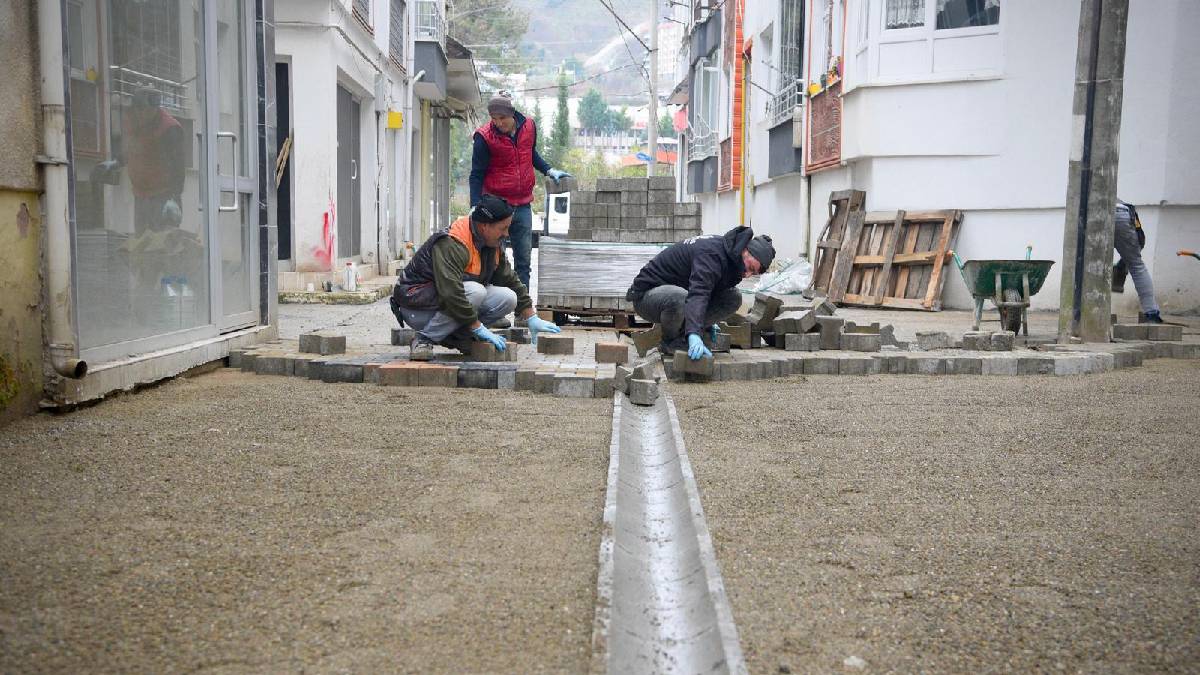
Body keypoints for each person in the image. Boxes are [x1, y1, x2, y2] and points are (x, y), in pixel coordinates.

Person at [392, 195, 561, 360]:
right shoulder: (453, 242)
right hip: (415, 305)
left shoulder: (491, 244)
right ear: (484, 226)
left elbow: (509, 279)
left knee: (508, 298)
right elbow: (451, 293)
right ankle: (424, 339)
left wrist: (531, 316)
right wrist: (478, 328)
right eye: (503, 228)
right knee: (476, 291)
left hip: (446, 303)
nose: (507, 234)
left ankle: (459, 337)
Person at [470, 92, 571, 289]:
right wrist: (475, 206)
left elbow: (530, 153)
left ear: (512, 114)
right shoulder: (484, 137)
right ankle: (495, 308)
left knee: (523, 261)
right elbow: (476, 174)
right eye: (494, 119)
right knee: (494, 260)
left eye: (502, 118)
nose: (498, 123)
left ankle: (522, 309)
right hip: (497, 207)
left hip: (523, 204)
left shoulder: (529, 127)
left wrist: (548, 170)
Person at [626, 226, 775, 360]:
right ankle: (670, 342)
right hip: (647, 296)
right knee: (679, 298)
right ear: (745, 250)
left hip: (678, 294)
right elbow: (699, 294)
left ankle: (683, 335)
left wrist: (709, 322)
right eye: (750, 267)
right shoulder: (712, 254)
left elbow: (712, 292)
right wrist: (694, 335)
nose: (747, 275)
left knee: (733, 297)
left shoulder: (734, 262)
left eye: (753, 273)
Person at [92, 87, 186, 234]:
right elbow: (132, 149)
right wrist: (116, 162)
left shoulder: (170, 129)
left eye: (146, 109)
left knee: (162, 244)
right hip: (141, 195)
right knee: (142, 243)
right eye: (139, 109)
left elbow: (178, 167)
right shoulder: (136, 123)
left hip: (164, 197)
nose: (142, 113)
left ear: (155, 108)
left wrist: (174, 197)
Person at [1112, 200, 1163, 323]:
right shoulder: (1115, 197)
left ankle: (1085, 313)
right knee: (1136, 265)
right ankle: (1152, 313)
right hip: (1124, 213)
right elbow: (1140, 242)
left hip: (1097, 212)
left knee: (1089, 265)